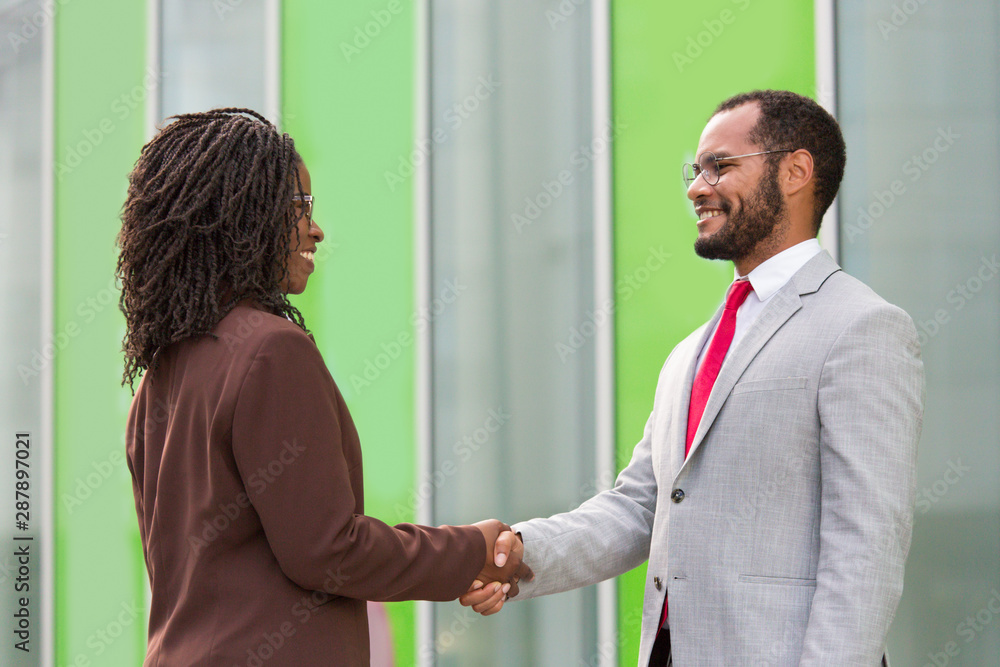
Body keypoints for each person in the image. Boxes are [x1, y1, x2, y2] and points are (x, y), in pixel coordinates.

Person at [462, 90, 925, 665]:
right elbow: (639, 508)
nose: (696, 187)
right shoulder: (691, 352)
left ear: (796, 171)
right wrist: (518, 554)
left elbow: (867, 546)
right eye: (695, 168)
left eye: (720, 166)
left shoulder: (862, 327)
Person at [117, 108, 528, 665]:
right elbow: (328, 550)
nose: (315, 227)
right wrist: (472, 550)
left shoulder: (159, 378)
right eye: (299, 208)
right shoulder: (271, 350)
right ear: (241, 215)